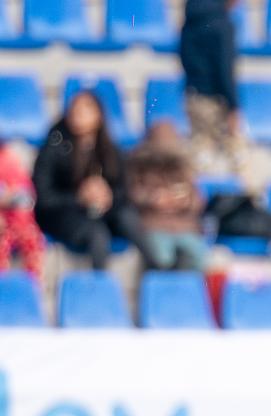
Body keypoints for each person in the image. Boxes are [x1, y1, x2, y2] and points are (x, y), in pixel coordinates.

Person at [33, 91, 159, 271]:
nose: (79, 113)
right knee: (98, 235)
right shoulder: (54, 147)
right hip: (64, 214)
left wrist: (107, 196)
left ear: (99, 115)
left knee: (128, 219)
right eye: (75, 108)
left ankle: (159, 273)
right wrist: (79, 198)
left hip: (103, 212)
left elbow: (124, 190)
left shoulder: (110, 149)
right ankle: (100, 284)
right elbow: (44, 197)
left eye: (86, 108)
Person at [126, 121, 209, 271]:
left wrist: (184, 201)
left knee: (199, 258)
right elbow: (132, 195)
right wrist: (154, 199)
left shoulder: (183, 170)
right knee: (162, 258)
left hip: (185, 226)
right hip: (153, 225)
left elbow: (198, 201)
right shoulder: (139, 168)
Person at [180, 0, 248, 180]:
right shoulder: (222, 24)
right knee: (237, 160)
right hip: (216, 100)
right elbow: (224, 69)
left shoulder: (190, 20)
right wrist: (233, 106)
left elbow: (183, 57)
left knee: (200, 157)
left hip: (193, 95)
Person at [0, 140, 44, 278]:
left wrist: (13, 197)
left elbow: (27, 197)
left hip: (17, 220)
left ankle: (31, 286)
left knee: (32, 238)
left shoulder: (11, 160)